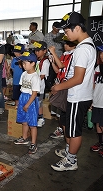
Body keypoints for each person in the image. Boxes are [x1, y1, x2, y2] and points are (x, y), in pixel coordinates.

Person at [51, 11, 96, 171]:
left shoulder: (82, 49)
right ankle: (69, 152)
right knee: (70, 128)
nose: (65, 34)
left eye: (67, 30)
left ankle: (71, 160)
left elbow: (78, 78)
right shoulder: (87, 45)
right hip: (79, 95)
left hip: (78, 96)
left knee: (74, 131)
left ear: (77, 28)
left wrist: (58, 87)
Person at [48, 35, 77, 139]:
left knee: (64, 111)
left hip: (69, 86)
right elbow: (58, 70)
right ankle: (62, 130)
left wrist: (54, 53)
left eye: (66, 43)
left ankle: (66, 134)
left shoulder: (75, 54)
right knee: (60, 111)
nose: (64, 45)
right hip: (61, 83)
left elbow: (61, 66)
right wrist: (52, 62)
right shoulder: (65, 54)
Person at [14, 51, 40, 154]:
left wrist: (27, 104)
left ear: (33, 63)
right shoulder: (24, 74)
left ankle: (33, 144)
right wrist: (20, 103)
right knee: (24, 121)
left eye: (25, 63)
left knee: (32, 124)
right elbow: (22, 88)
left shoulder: (35, 77)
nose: (23, 65)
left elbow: (34, 94)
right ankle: (24, 138)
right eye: (22, 63)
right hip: (23, 97)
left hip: (31, 100)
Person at [89, 45, 103, 156]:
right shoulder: (97, 68)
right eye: (101, 53)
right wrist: (92, 100)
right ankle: (101, 142)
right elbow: (93, 85)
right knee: (98, 123)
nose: (102, 55)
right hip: (97, 101)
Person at [34, 41, 50, 127]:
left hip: (40, 87)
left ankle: (41, 118)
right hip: (33, 87)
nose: (37, 52)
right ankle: (35, 117)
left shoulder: (45, 62)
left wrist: (33, 81)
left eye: (39, 50)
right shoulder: (35, 60)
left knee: (39, 103)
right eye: (36, 50)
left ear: (44, 51)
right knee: (34, 102)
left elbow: (42, 76)